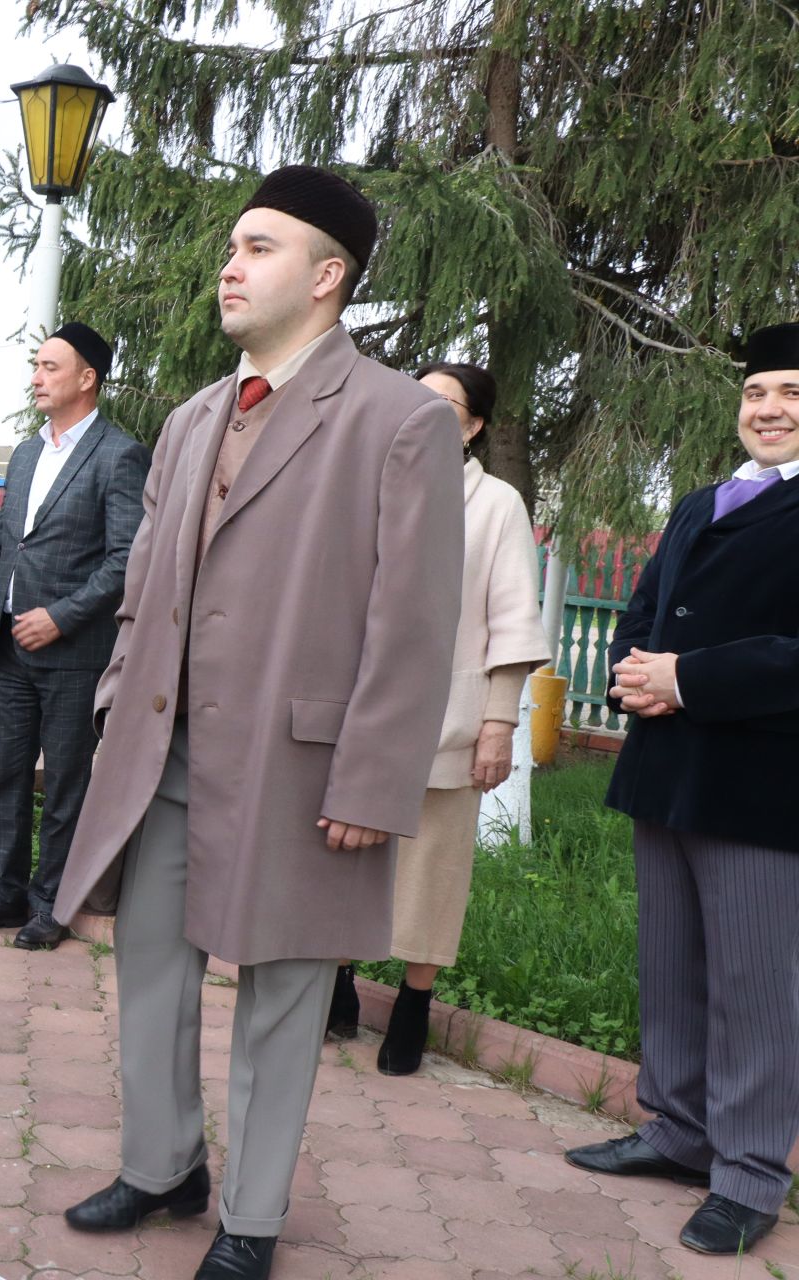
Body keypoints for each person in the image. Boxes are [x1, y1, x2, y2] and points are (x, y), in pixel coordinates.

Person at [53, 167, 464, 1280]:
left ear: (328, 278)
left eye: (262, 247)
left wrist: (374, 782)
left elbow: (416, 624)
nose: (231, 265)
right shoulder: (191, 415)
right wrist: (112, 713)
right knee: (148, 961)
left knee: (282, 994)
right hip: (165, 753)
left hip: (302, 762)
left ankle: (251, 1215)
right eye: (233, 244)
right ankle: (160, 1164)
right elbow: (146, 582)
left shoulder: (401, 420)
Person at [563, 322, 799, 1259]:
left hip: (762, 784)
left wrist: (687, 679)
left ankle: (747, 1174)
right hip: (666, 769)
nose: (769, 409)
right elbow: (645, 606)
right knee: (672, 966)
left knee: (755, 984)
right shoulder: (703, 501)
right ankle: (677, 1130)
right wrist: (631, 669)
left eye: (789, 392)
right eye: (755, 394)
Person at [344, 362, 548, 1074]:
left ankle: (412, 1004)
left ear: (473, 426)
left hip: (448, 720)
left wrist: (499, 723)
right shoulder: (371, 488)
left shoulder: (496, 505)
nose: (424, 413)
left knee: (432, 869)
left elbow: (514, 622)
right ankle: (337, 980)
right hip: (357, 716)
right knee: (344, 852)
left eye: (445, 406)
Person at [0, 323, 148, 950]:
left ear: (87, 378)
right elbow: (5, 539)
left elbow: (125, 559)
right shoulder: (27, 452)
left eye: (49, 367)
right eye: (35, 365)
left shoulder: (118, 454)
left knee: (65, 782)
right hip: (10, 648)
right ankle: (3, 892)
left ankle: (50, 904)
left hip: (73, 654)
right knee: (4, 774)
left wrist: (62, 615)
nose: (36, 377)